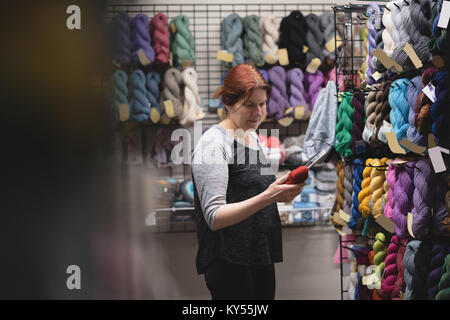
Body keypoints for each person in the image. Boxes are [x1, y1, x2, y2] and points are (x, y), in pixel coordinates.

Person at [191, 64, 305, 300]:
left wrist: (280, 191)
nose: (258, 112)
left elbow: (251, 189)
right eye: (250, 105)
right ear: (229, 104)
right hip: (230, 262)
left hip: (257, 255)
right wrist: (270, 196)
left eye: (262, 104)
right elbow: (214, 216)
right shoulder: (213, 143)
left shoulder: (250, 136)